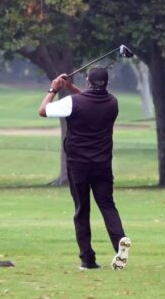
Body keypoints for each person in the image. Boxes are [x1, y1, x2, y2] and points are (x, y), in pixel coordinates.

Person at [39, 67, 131, 270]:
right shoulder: (112, 103)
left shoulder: (74, 103)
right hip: (103, 165)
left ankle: (87, 260)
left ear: (88, 82)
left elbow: (43, 110)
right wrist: (71, 86)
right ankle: (120, 242)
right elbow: (89, 101)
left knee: (82, 210)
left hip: (78, 165)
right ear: (106, 83)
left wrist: (53, 89)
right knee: (107, 206)